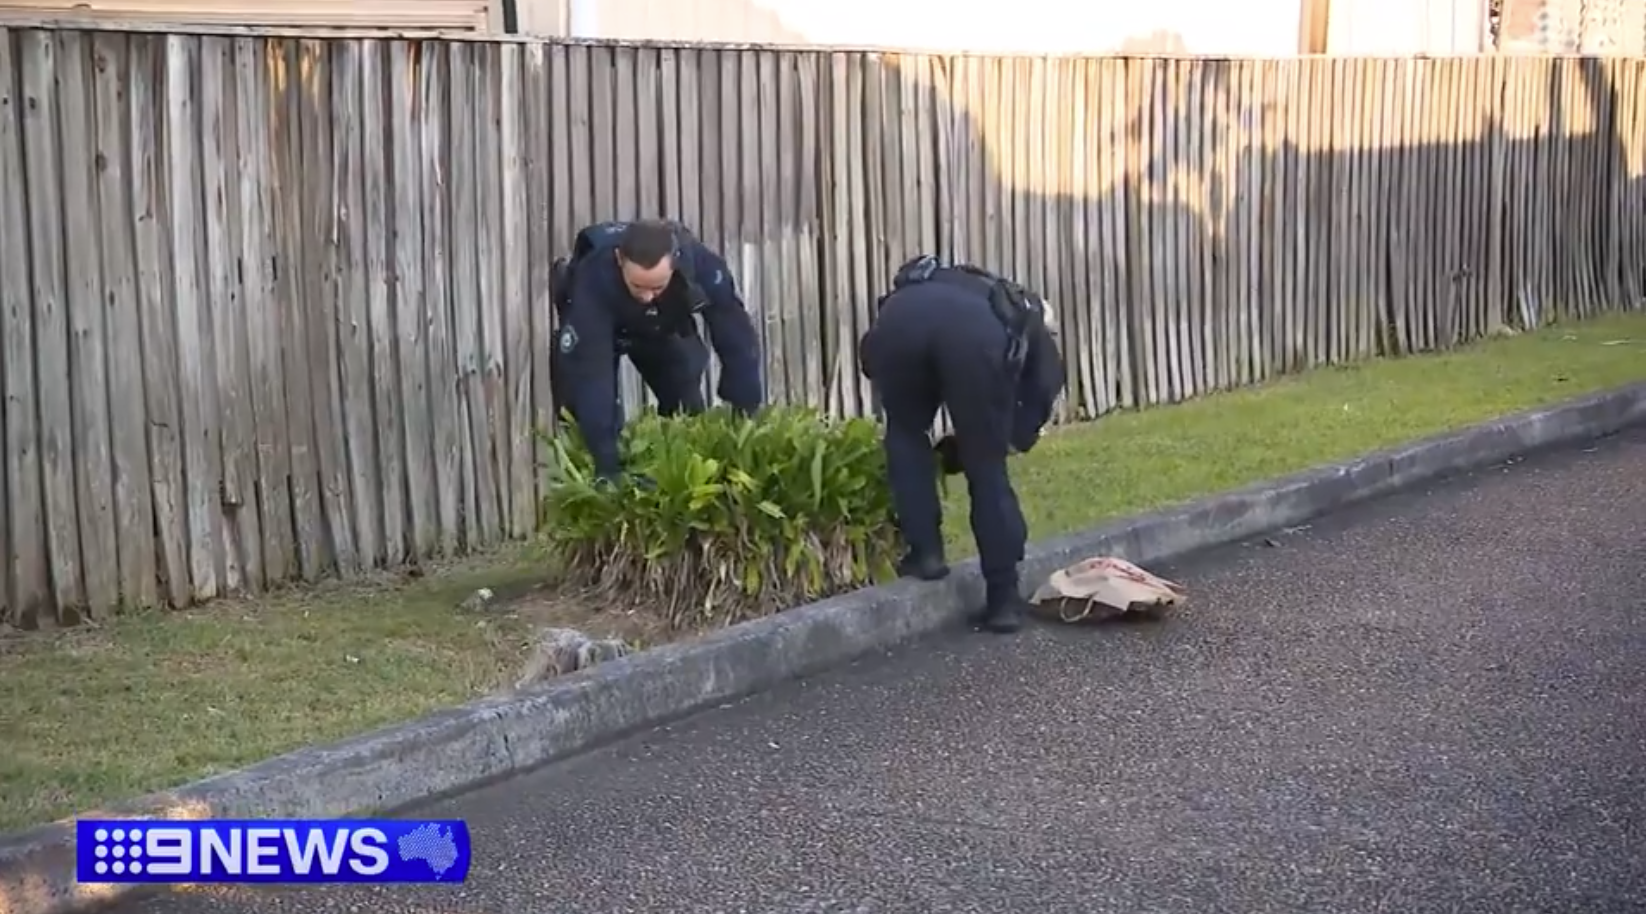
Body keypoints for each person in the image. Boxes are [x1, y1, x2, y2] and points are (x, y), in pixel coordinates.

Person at [857, 255, 1066, 633]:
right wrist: (1008, 439)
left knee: (905, 435)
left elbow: (870, 357)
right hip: (972, 338)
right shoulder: (1025, 314)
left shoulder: (926, 287)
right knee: (986, 468)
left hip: (898, 326)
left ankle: (926, 555)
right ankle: (1003, 601)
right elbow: (1046, 384)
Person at [549, 219, 764, 484]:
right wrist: (607, 465)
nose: (647, 296)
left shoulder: (700, 264)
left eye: (657, 287)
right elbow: (593, 377)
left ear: (674, 263)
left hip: (659, 328)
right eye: (638, 286)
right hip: (603, 329)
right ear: (619, 259)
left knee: (686, 399)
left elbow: (736, 336)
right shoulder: (593, 283)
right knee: (583, 418)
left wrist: (746, 408)